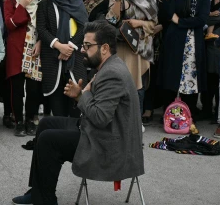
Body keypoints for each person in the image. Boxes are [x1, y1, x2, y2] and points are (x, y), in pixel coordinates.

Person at [11, 20, 144, 205]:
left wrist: (81, 96)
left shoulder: (112, 73)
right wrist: (83, 95)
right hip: (104, 133)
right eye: (83, 45)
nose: (82, 50)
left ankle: (45, 200)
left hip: (110, 147)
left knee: (48, 140)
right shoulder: (110, 66)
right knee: (45, 123)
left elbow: (99, 118)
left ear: (104, 48)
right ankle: (38, 192)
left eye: (88, 46)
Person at [106, 0, 158, 119]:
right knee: (118, 85)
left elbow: (153, 25)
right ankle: (118, 124)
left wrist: (139, 23)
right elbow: (112, 20)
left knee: (137, 86)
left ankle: (136, 123)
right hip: (120, 47)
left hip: (139, 49)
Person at [159, 0, 210, 119]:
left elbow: (201, 20)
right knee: (171, 78)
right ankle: (169, 116)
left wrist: (179, 21)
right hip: (174, 42)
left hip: (193, 44)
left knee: (190, 79)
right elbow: (166, 16)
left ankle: (188, 117)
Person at [37, 0, 88, 117]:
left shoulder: (76, 2)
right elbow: (42, 29)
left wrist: (70, 47)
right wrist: (59, 46)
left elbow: (84, 26)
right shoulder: (44, 5)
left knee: (75, 108)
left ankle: (74, 139)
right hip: (52, 59)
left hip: (75, 59)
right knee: (57, 110)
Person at [4, 0, 43, 136]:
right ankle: (19, 121)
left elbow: (45, 26)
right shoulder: (11, 1)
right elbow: (10, 24)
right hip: (17, 51)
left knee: (34, 89)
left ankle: (30, 120)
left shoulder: (41, 2)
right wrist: (22, 6)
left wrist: (41, 42)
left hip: (35, 50)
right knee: (17, 89)